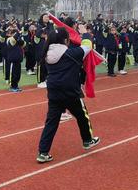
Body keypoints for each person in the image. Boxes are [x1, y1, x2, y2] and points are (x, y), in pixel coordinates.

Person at [36, 27, 100, 163]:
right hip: (70, 92)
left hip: (54, 91)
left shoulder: (46, 54)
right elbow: (87, 46)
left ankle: (43, 152)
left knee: (51, 122)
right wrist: (84, 33)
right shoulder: (71, 53)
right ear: (65, 40)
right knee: (82, 116)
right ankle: (87, 140)